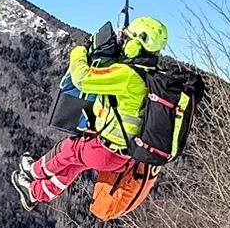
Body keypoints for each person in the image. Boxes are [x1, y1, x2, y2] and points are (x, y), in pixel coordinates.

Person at [13, 17, 169, 209]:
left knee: (67, 149)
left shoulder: (128, 75)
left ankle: (34, 171)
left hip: (104, 150)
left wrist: (80, 51)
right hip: (123, 157)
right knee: (74, 165)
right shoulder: (151, 76)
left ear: (135, 45)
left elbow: (82, 79)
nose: (123, 42)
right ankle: (35, 193)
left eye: (126, 39)